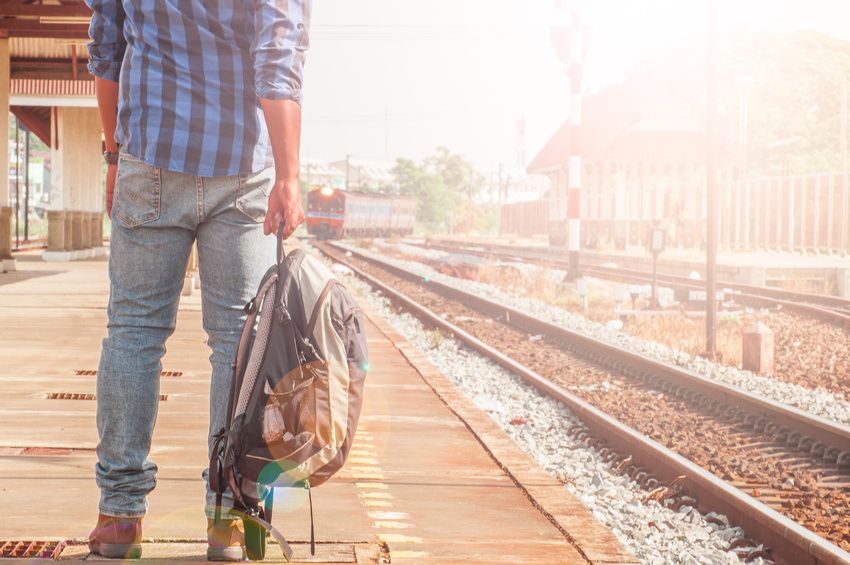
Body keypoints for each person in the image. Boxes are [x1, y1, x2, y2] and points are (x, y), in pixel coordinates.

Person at [85, 0, 311, 559]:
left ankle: (118, 518)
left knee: (134, 333)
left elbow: (106, 49)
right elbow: (278, 58)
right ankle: (229, 519)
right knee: (237, 345)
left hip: (150, 156)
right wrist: (289, 175)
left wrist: (114, 157)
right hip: (240, 168)